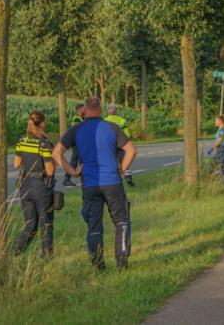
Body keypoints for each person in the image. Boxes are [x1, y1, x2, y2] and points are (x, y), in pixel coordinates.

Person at [52, 96, 137, 271]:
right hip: (112, 182)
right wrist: (120, 170)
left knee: (94, 225)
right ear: (100, 110)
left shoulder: (76, 129)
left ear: (84, 110)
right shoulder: (112, 127)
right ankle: (121, 260)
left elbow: (56, 154)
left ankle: (98, 265)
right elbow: (131, 150)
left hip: (90, 184)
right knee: (121, 220)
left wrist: (73, 172)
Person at [13, 111, 78, 258]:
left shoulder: (22, 140)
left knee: (30, 226)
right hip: (40, 188)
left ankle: (15, 252)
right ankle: (47, 256)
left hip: (25, 187)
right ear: (42, 123)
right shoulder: (44, 143)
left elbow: (17, 164)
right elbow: (49, 171)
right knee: (46, 224)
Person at [104, 103, 135, 187]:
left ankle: (114, 180)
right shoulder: (122, 120)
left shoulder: (105, 121)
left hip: (110, 145)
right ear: (114, 111)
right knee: (123, 160)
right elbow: (126, 134)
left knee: (112, 162)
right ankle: (128, 176)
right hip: (121, 144)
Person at [64, 103, 86, 187]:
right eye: (83, 109)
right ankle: (67, 179)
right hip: (77, 143)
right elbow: (79, 131)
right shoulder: (77, 119)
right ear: (79, 109)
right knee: (74, 161)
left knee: (79, 161)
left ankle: (69, 178)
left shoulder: (82, 118)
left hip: (79, 143)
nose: (85, 110)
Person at [208, 115, 224, 183]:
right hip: (220, 148)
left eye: (216, 121)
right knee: (214, 162)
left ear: (221, 121)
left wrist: (212, 148)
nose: (215, 122)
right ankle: (218, 178)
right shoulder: (220, 129)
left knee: (222, 163)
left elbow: (220, 140)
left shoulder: (222, 129)